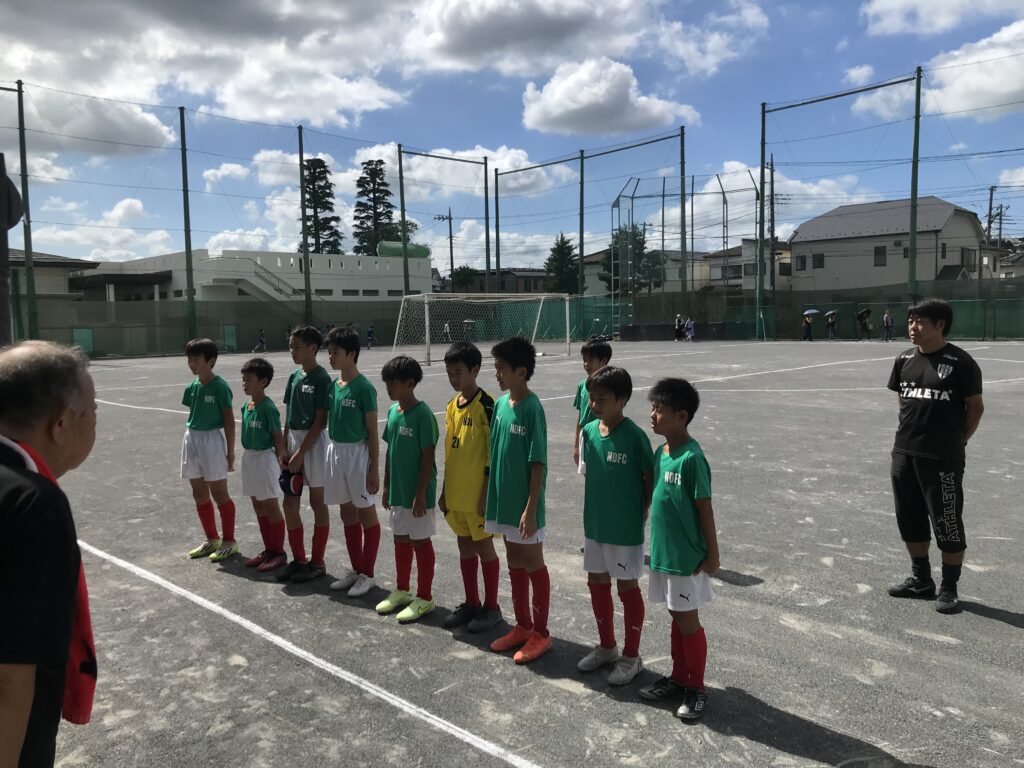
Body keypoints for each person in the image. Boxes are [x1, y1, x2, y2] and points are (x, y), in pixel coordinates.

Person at [0, 341, 97, 767]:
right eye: (92, 411)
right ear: (61, 423)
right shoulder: (32, 502)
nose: (95, 421)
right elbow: (9, 677)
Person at [886, 298, 984, 614]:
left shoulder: (961, 362)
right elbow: (904, 401)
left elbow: (976, 408)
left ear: (940, 325)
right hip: (904, 454)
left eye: (920, 322)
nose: (912, 327)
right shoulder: (903, 359)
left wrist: (958, 442)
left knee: (947, 522)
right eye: (910, 321)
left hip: (942, 458)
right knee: (910, 518)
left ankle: (949, 587)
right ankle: (921, 580)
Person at [639, 378, 720, 722]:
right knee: (675, 613)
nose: (652, 415)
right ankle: (679, 678)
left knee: (688, 621)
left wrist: (713, 554)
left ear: (681, 416)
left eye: (659, 410)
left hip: (686, 558)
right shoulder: (662, 453)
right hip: (665, 554)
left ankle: (696, 688)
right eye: (652, 408)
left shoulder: (692, 458)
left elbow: (704, 509)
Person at [576, 366, 654, 686]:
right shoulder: (589, 432)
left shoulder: (635, 436)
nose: (594, 404)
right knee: (596, 582)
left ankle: (631, 656)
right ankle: (607, 647)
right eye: (591, 398)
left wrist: (643, 509)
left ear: (622, 400)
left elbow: (649, 478)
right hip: (595, 525)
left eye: (602, 399)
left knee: (627, 588)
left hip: (624, 529)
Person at [485, 337, 552, 664]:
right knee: (513, 558)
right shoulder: (500, 405)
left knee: (533, 561)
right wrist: (489, 494)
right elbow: (495, 454)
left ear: (521, 372)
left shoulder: (532, 408)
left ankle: (541, 633)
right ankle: (522, 626)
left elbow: (538, 463)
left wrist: (530, 508)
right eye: (495, 367)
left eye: (501, 368)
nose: (496, 374)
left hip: (525, 505)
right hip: (503, 502)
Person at [438, 342, 503, 632]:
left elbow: (492, 453)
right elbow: (450, 453)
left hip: (477, 496)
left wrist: (487, 493)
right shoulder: (451, 406)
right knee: (464, 546)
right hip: (457, 495)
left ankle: (492, 607)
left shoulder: (486, 405)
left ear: (475, 370)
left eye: (459, 372)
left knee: (484, 547)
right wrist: (444, 491)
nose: (454, 378)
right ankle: (472, 603)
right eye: (449, 373)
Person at [376, 356, 440, 623]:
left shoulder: (423, 415)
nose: (389, 387)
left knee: (420, 542)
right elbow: (390, 450)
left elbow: (428, 457)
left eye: (394, 382)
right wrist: (387, 485)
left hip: (417, 495)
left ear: (411, 383)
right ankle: (402, 590)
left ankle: (425, 597)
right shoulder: (393, 412)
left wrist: (420, 495)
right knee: (400, 539)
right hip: (398, 492)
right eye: (387, 382)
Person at [324, 328, 382, 597]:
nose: (331, 356)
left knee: (366, 514)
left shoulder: (364, 388)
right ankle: (357, 569)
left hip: (357, 455)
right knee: (347, 513)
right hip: (335, 452)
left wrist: (374, 469)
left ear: (352, 354)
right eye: (329, 351)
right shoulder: (334, 386)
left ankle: (368, 574)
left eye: (335, 352)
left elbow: (372, 432)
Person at [277, 325, 333, 584]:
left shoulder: (322, 379)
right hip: (294, 441)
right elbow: (289, 415)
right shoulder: (294, 376)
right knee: (289, 503)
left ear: (313, 348)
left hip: (314, 444)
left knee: (317, 502)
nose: (292, 351)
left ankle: (317, 562)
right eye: (291, 347)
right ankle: (299, 560)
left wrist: (301, 452)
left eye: (297, 347)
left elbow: (321, 421)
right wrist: (284, 447)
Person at [180, 339, 238, 562]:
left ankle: (230, 542)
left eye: (196, 359)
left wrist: (230, 452)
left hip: (211, 440)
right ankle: (212, 539)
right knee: (199, 493)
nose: (191, 364)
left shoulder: (220, 387)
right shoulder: (192, 387)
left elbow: (229, 422)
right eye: (189, 359)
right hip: (191, 438)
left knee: (219, 493)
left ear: (211, 361)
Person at [239, 358, 288, 573]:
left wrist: (281, 459)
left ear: (263, 382)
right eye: (243, 379)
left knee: (270, 506)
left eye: (249, 379)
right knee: (258, 505)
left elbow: (277, 437)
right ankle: (268, 549)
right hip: (249, 458)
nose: (244, 383)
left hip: (265, 459)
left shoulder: (268, 408)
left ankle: (278, 552)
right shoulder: (246, 406)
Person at [573, 337, 612, 468]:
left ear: (604, 361)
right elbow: (580, 416)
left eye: (590, 360)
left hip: (602, 437)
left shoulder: (610, 388)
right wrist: (576, 445)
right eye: (584, 360)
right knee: (587, 472)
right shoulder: (581, 385)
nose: (586, 364)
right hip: (585, 436)